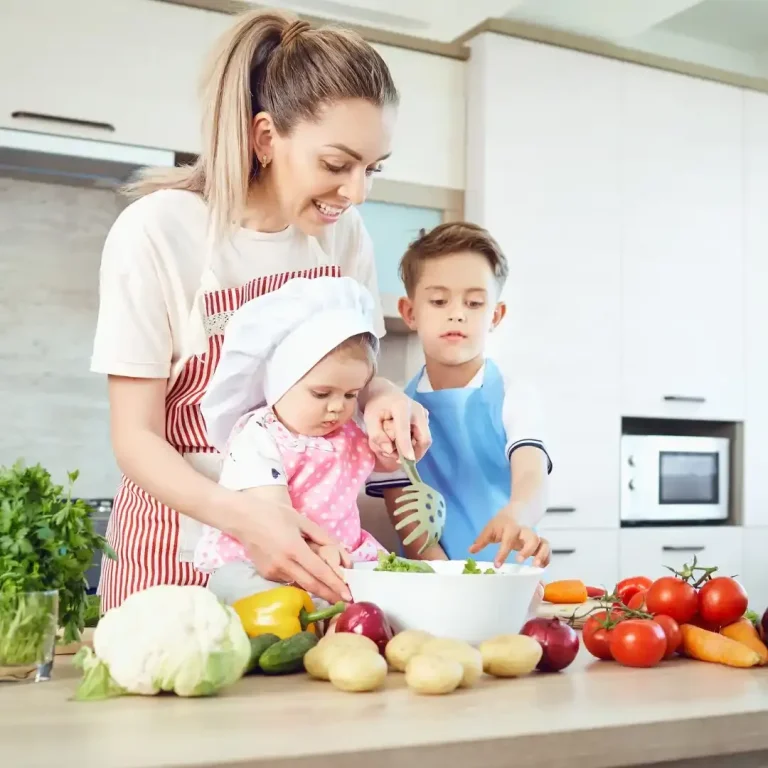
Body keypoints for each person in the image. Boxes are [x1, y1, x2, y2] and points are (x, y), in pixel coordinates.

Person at [89, 10, 430, 613]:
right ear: (266, 137)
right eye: (337, 165)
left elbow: (355, 369)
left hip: (310, 562)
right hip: (176, 552)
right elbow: (135, 438)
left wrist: (383, 396)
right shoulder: (158, 232)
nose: (357, 193)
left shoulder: (344, 236)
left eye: (372, 169)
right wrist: (247, 518)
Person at [366, 222, 552, 569]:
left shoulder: (515, 396)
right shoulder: (394, 415)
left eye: (475, 302)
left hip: (511, 580)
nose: (457, 313)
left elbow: (532, 477)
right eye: (439, 301)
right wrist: (453, 582)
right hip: (435, 581)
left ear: (495, 315)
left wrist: (517, 513)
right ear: (410, 312)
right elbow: (412, 529)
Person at [194, 276, 389, 604]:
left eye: (351, 394)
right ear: (279, 383)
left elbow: (383, 464)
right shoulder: (259, 436)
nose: (337, 406)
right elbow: (274, 511)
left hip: (338, 557)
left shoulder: (347, 435)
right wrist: (315, 550)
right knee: (242, 587)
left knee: (382, 594)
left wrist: (389, 443)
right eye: (322, 393)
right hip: (265, 560)